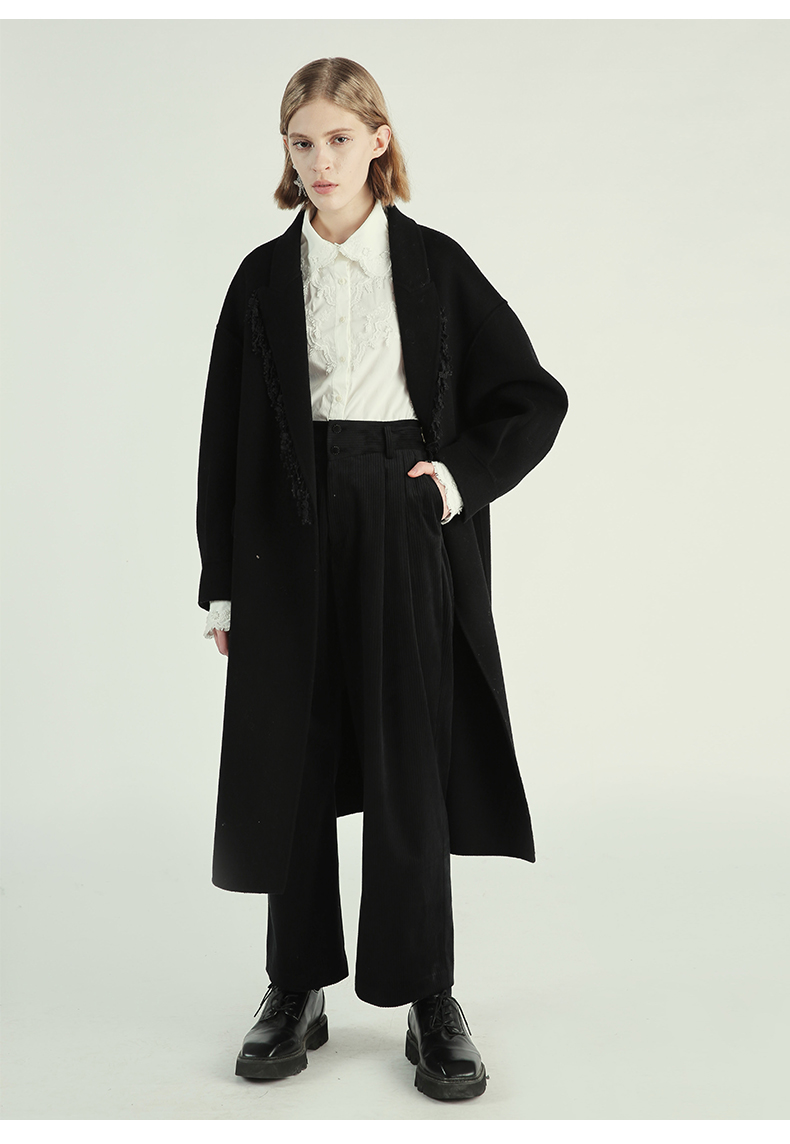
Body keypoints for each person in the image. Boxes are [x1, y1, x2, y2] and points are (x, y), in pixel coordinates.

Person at [197, 56, 568, 1102]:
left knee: (410, 757)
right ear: (286, 151)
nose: (321, 161)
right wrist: (221, 581)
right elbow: (223, 436)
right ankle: (295, 986)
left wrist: (453, 481)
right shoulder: (260, 280)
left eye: (339, 139)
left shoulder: (436, 265)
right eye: (301, 142)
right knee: (295, 755)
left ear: (378, 141)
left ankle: (427, 994)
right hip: (288, 530)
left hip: (403, 514)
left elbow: (532, 396)